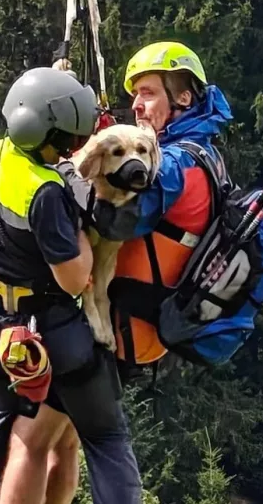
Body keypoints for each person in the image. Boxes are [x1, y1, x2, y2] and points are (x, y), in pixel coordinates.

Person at [0, 66, 143, 504]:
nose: (74, 148)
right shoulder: (46, 192)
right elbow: (76, 277)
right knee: (105, 435)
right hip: (50, 328)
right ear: (50, 137)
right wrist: (82, 224)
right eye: (68, 139)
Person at [57, 40, 234, 377]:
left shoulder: (174, 165)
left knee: (49, 425)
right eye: (135, 94)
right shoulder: (200, 151)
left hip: (118, 327)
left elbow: (111, 222)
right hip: (136, 325)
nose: (136, 105)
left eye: (148, 93)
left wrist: (66, 169)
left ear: (183, 98)